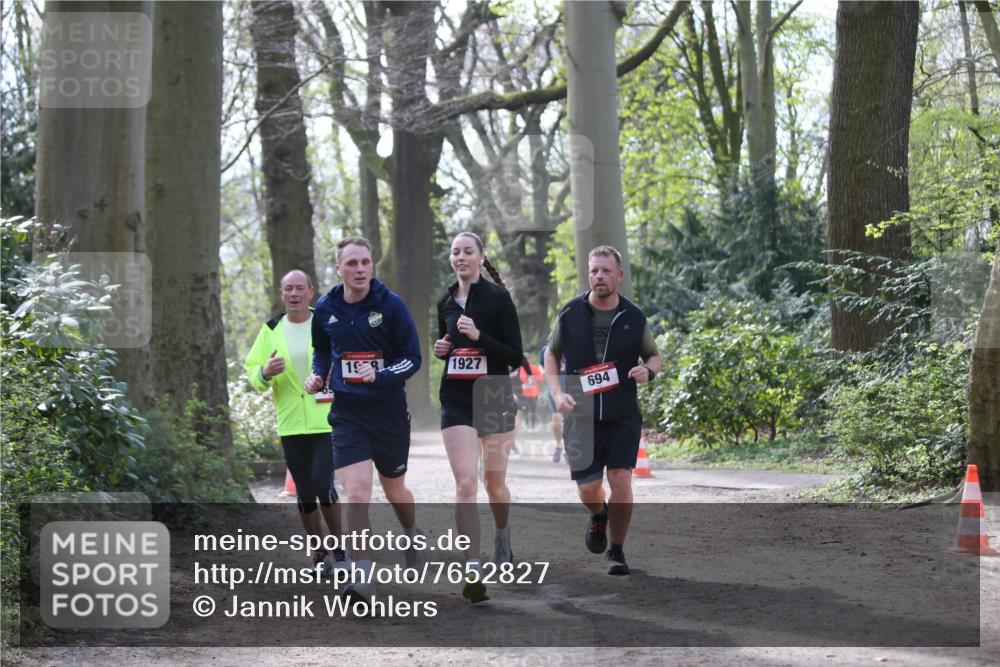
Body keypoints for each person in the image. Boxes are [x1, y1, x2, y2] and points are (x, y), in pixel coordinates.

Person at [304, 237, 422, 605]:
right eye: (351, 263)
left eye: (365, 262)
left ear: (372, 266)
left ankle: (410, 531)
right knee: (357, 493)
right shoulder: (325, 308)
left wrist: (382, 374)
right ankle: (364, 580)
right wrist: (318, 375)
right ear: (338, 269)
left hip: (388, 414)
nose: (359, 269)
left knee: (395, 490)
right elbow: (322, 351)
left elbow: (413, 358)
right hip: (348, 414)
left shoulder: (391, 306)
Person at [543, 246, 662, 575]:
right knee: (587, 489)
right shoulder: (570, 314)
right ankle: (598, 514)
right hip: (580, 415)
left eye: (606, 271)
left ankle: (617, 551)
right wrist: (556, 391)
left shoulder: (634, 317)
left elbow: (654, 355)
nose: (599, 276)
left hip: (622, 412)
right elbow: (551, 355)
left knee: (621, 478)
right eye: (594, 270)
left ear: (619, 276)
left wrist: (648, 371)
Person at [433, 232, 524, 603]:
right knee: (466, 483)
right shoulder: (444, 300)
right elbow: (446, 346)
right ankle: (473, 567)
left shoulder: (498, 298)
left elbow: (515, 356)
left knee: (494, 484)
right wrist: (442, 349)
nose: (461, 257)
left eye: (468, 251)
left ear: (481, 257)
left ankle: (502, 536)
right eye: (455, 252)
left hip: (494, 396)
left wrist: (480, 335)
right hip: (456, 398)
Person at [244, 270, 347, 574]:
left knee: (323, 484)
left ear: (310, 293)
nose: (294, 294)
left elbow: (346, 358)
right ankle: (320, 553)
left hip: (326, 420)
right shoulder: (271, 330)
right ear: (281, 294)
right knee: (303, 491)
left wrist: (335, 375)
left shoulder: (326, 322)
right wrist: (264, 371)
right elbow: (252, 374)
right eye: (288, 289)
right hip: (290, 423)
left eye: (299, 288)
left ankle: (341, 550)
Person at [540, 344, 566, 463]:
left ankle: (568, 449)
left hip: (573, 388)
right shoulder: (546, 350)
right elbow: (541, 367)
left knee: (571, 421)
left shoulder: (575, 346)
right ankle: (558, 446)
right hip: (554, 390)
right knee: (556, 421)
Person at [518, 355, 544, 431]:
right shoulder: (520, 369)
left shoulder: (534, 368)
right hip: (522, 393)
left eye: (528, 359)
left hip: (533, 393)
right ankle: (526, 425)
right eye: (524, 359)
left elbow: (541, 378)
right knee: (524, 409)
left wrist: (534, 378)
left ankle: (532, 426)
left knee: (532, 409)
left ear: (530, 359)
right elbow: (517, 379)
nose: (526, 360)